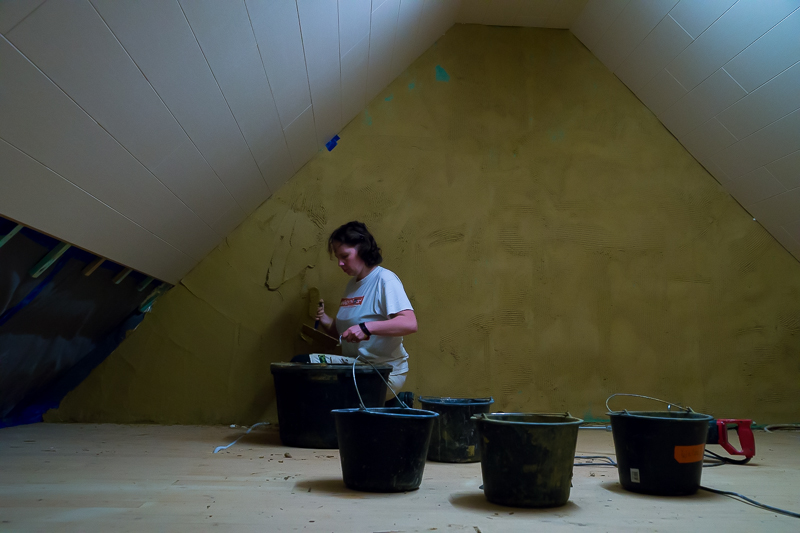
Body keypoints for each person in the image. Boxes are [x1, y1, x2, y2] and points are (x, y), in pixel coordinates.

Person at [314, 221, 417, 402]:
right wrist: (325, 320)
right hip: (355, 366)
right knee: (301, 364)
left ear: (362, 249)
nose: (340, 263)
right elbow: (345, 333)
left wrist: (367, 327)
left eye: (345, 256)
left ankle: (393, 405)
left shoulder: (384, 280)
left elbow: (409, 323)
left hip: (383, 371)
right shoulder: (352, 285)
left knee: (330, 396)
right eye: (337, 257)